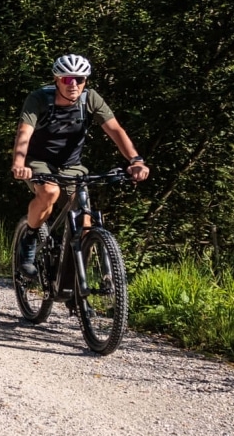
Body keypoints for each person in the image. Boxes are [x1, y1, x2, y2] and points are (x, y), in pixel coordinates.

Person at [11, 54, 150, 281]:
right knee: (49, 191)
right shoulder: (39, 99)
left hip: (71, 165)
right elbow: (24, 132)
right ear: (57, 80)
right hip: (38, 161)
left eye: (79, 79)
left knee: (85, 222)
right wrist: (18, 163)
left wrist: (136, 160)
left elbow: (115, 130)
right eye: (67, 79)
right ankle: (30, 237)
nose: (73, 84)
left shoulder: (90, 99)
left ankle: (75, 289)